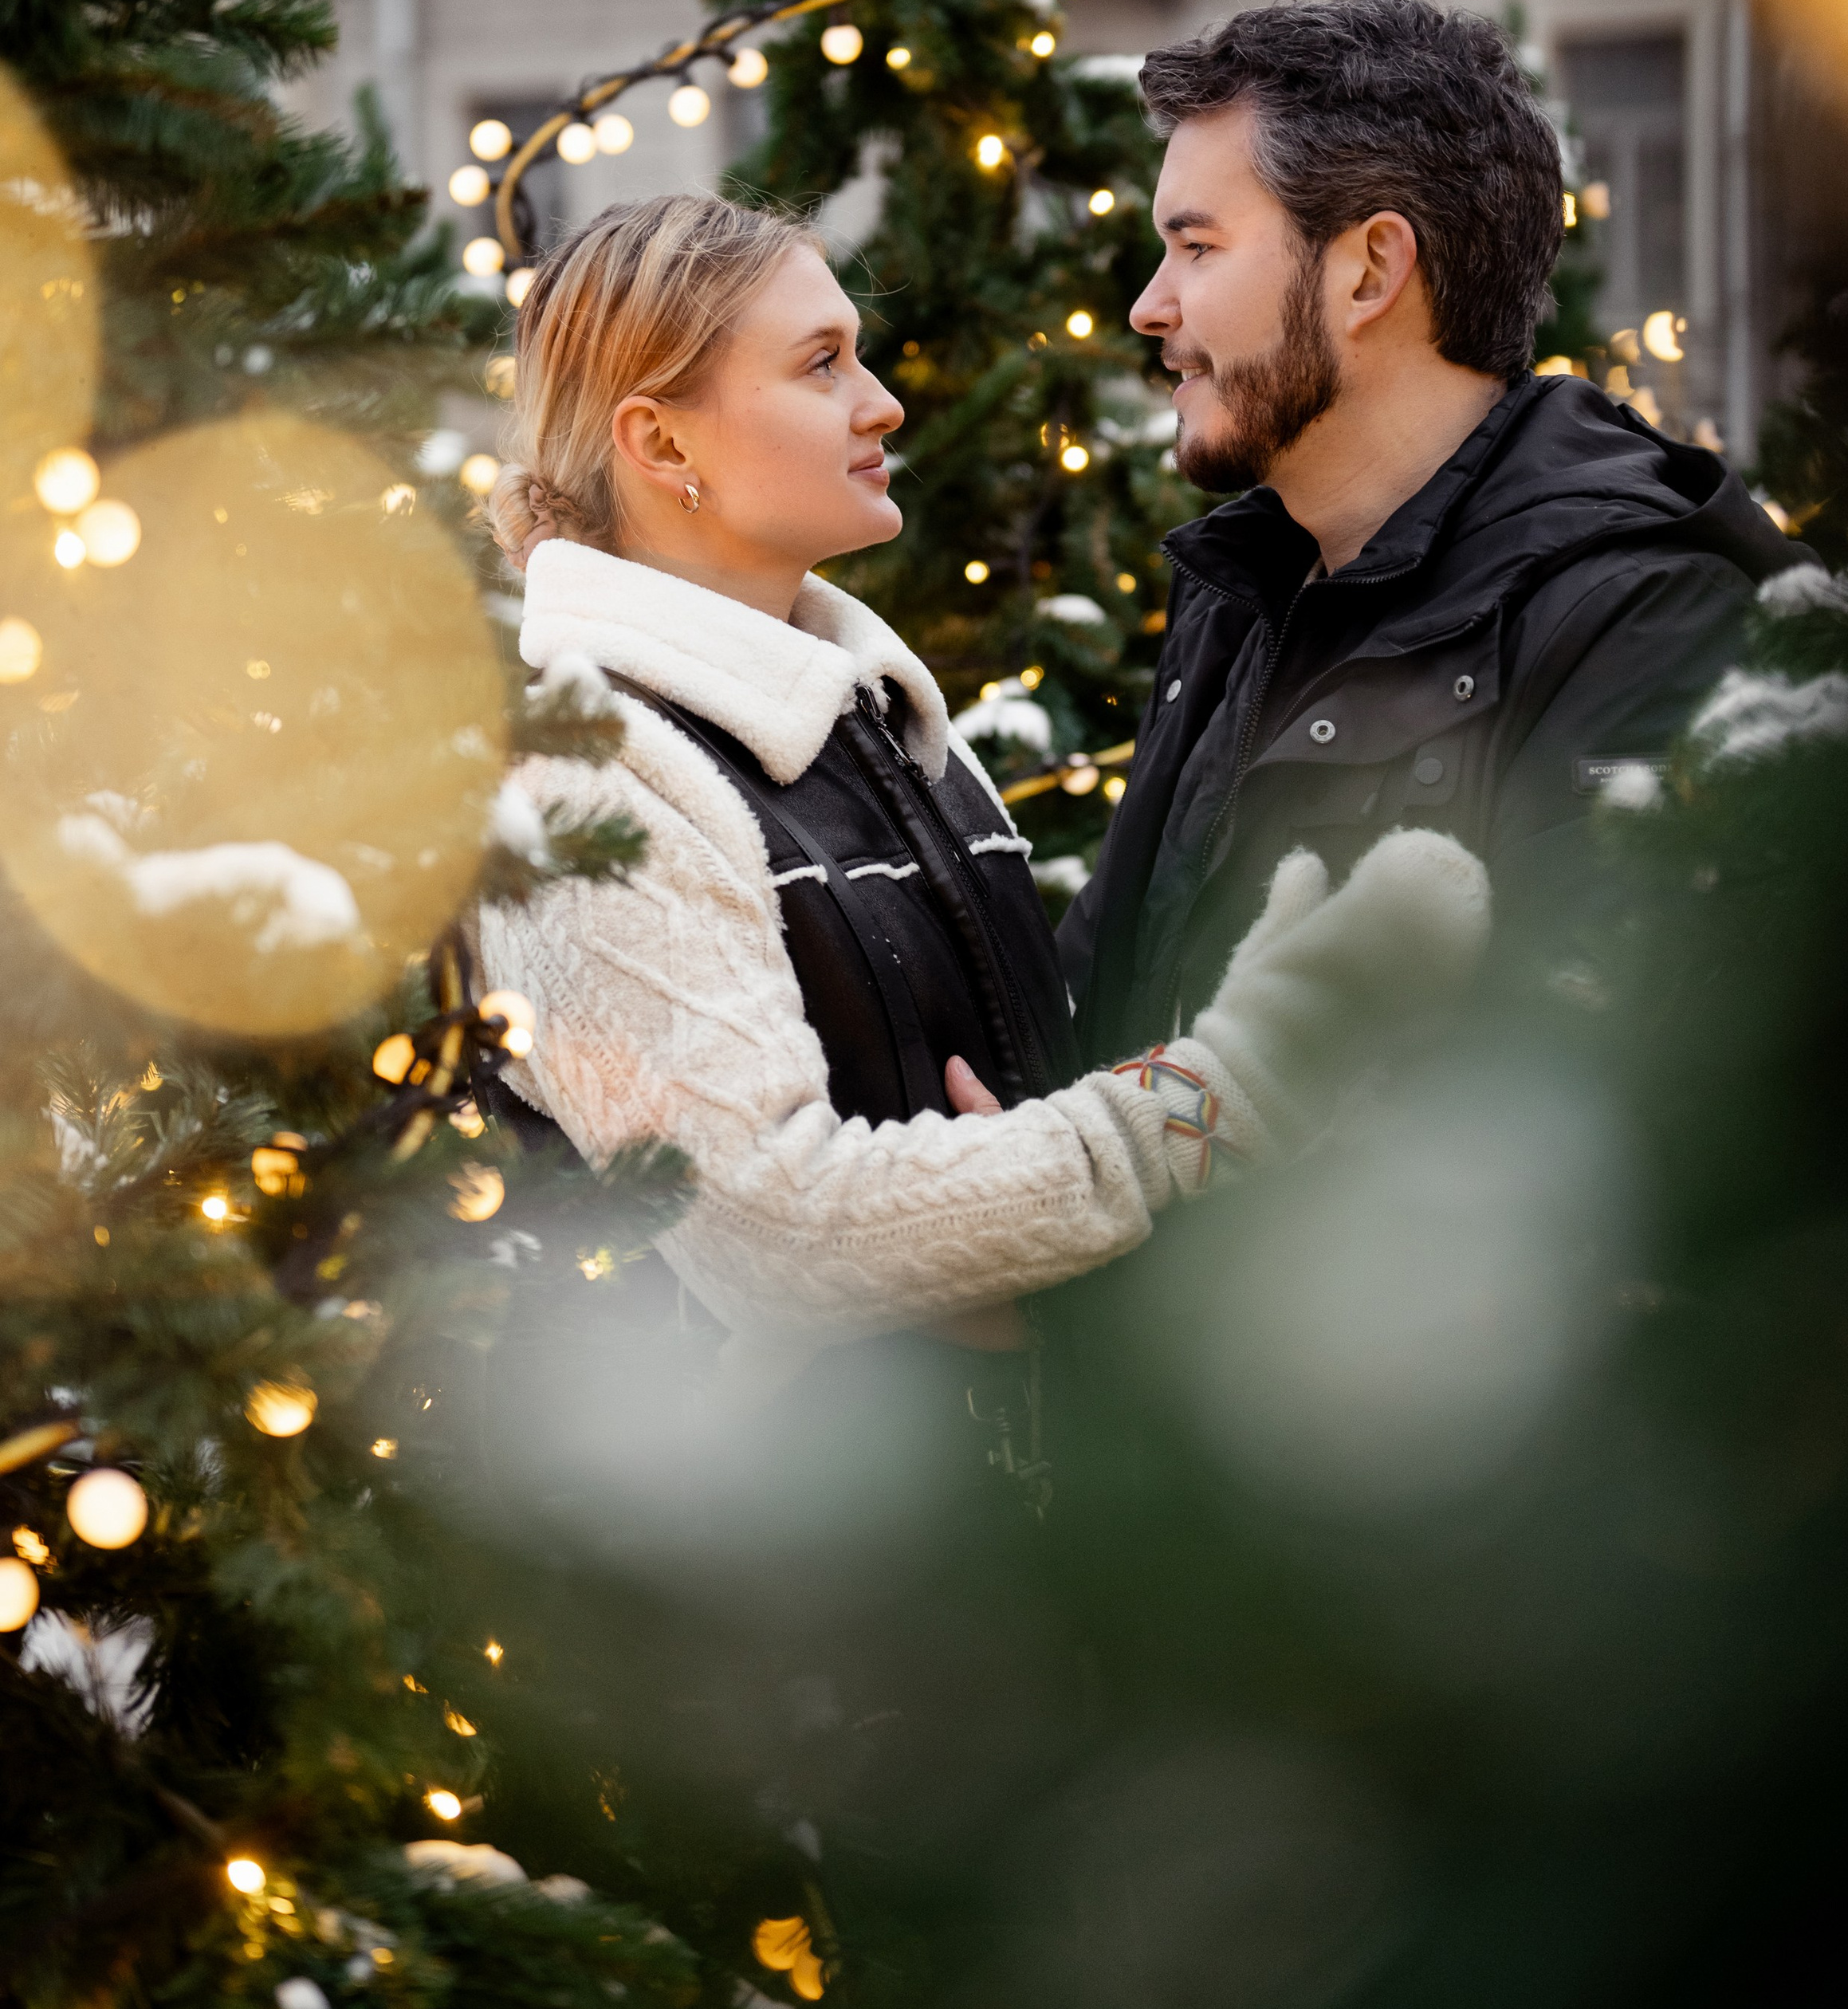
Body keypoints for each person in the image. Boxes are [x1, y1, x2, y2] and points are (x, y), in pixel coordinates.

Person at [474, 188, 1485, 1366]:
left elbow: (1004, 1139)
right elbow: (781, 1233)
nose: (884, 401)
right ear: (661, 442)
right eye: (821, 365)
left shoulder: (885, 727)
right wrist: (1220, 1093)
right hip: (726, 1544)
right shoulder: (587, 786)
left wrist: (1021, 1253)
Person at [1060, 0, 1808, 1065]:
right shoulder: (1243, 586)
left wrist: (1130, 1154)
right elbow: (1114, 992)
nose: (1149, 306)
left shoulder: (1643, 614)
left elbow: (1572, 1104)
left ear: (1370, 269)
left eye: (1197, 248)